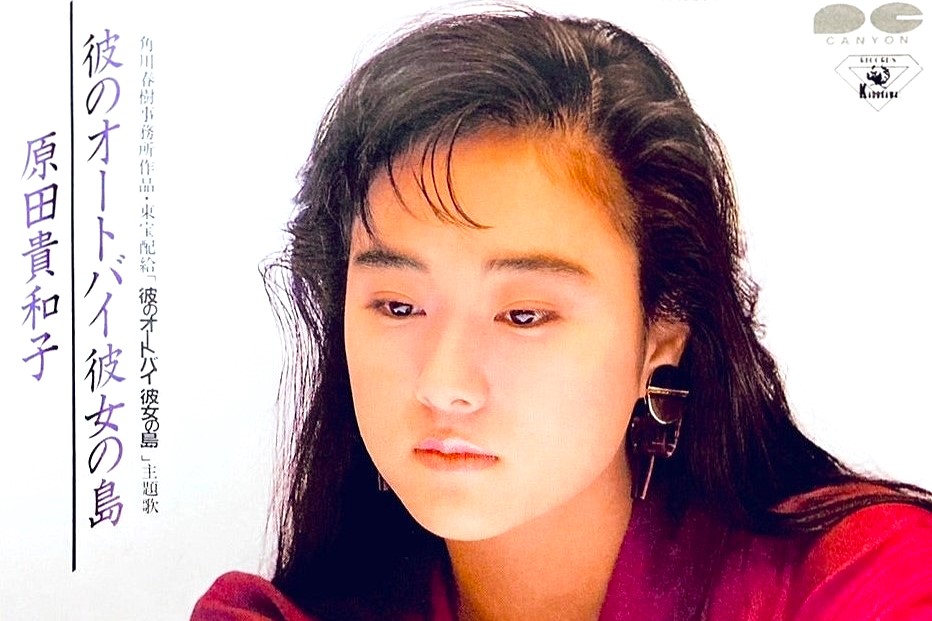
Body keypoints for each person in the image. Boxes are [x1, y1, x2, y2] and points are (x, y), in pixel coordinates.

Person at [192, 7, 932, 620]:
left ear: (661, 331)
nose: (444, 384)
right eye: (398, 305)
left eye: (524, 315)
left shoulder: (869, 583)